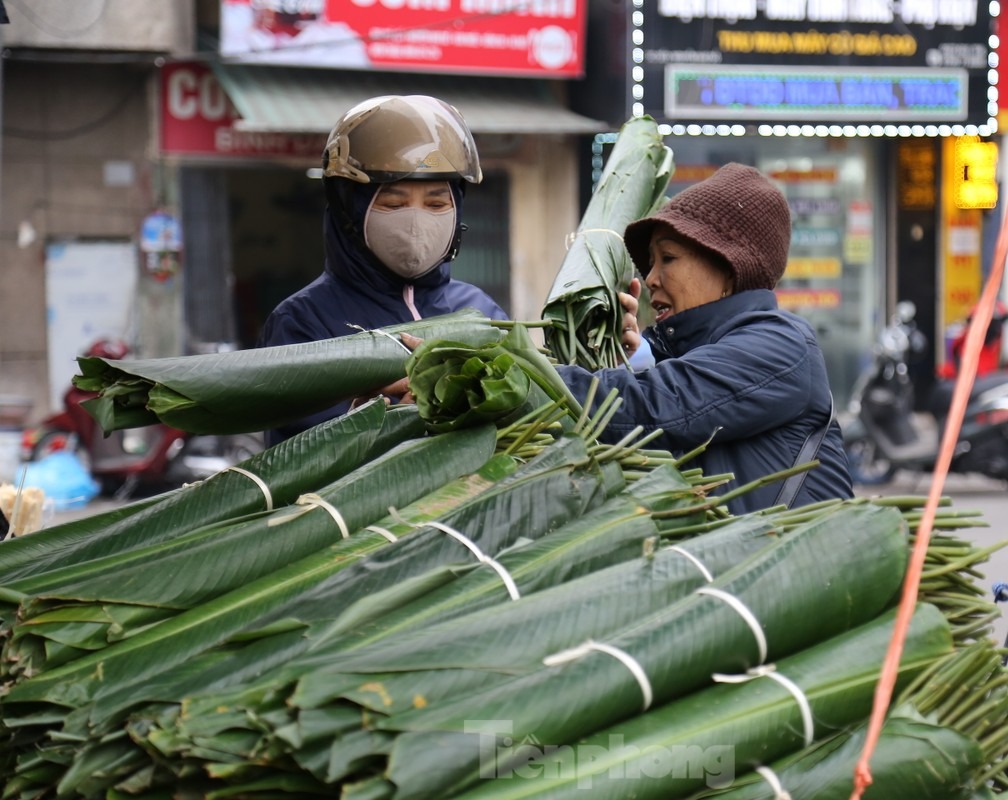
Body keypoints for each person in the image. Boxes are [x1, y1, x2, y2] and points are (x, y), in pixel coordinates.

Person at [388, 163, 853, 514]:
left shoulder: (781, 345)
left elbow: (652, 408)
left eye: (667, 259)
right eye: (649, 263)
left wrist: (492, 373)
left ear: (728, 269)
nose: (650, 279)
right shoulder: (682, 353)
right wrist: (638, 354)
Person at [257, 95, 508, 446]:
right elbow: (293, 457)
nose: (417, 222)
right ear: (349, 211)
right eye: (394, 203)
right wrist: (365, 426)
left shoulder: (479, 312)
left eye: (436, 203)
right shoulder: (302, 322)